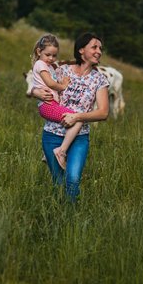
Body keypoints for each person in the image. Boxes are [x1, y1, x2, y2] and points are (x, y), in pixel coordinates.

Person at [30, 33, 110, 203]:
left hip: (79, 137)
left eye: (100, 49)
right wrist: (35, 92)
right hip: (52, 134)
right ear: (81, 50)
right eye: (94, 47)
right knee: (58, 183)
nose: (99, 52)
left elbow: (103, 112)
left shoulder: (100, 79)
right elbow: (40, 83)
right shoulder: (62, 69)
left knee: (72, 180)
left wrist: (77, 117)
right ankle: (58, 217)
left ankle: (71, 217)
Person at [30, 34, 83, 169]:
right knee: (77, 119)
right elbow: (50, 84)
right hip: (47, 105)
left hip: (51, 104)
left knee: (66, 124)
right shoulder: (40, 64)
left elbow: (54, 82)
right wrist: (63, 86)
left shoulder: (51, 67)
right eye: (48, 55)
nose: (51, 59)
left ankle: (46, 153)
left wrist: (63, 82)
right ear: (39, 52)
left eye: (54, 56)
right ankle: (61, 151)